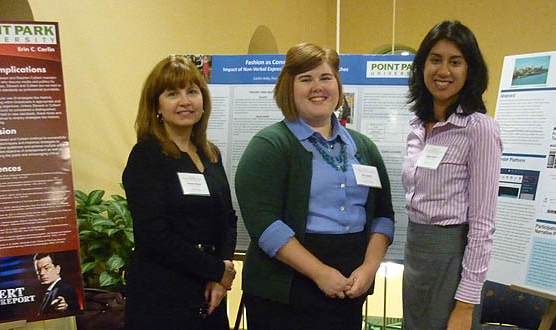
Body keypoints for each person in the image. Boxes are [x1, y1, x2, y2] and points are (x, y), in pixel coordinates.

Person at [235, 43, 395, 330]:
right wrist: (320, 273)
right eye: (305, 79)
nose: (317, 87)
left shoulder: (363, 147)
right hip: (285, 293)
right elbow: (264, 224)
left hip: (348, 288)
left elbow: (384, 217)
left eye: (325, 78)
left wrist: (369, 269)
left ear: (338, 85)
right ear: (289, 87)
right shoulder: (269, 146)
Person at [122, 56, 237, 330]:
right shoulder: (147, 156)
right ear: (156, 106)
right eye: (173, 93)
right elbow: (154, 235)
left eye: (192, 92)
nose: (185, 101)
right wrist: (216, 270)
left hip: (210, 291)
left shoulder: (210, 154)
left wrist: (220, 273)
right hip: (163, 294)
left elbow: (228, 219)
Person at [402, 21, 502, 330]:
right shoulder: (417, 126)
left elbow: (483, 224)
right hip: (416, 255)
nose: (443, 70)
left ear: (470, 69)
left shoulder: (479, 129)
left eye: (455, 61)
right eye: (435, 59)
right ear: (422, 66)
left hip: (452, 260)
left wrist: (465, 304)